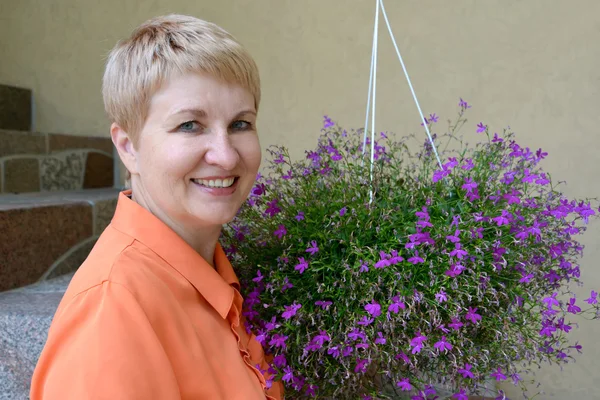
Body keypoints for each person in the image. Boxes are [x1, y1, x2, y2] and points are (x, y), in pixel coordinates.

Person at [29, 14, 283, 400]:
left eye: (240, 124)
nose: (227, 156)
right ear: (129, 146)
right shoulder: (112, 314)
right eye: (190, 125)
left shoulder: (212, 270)